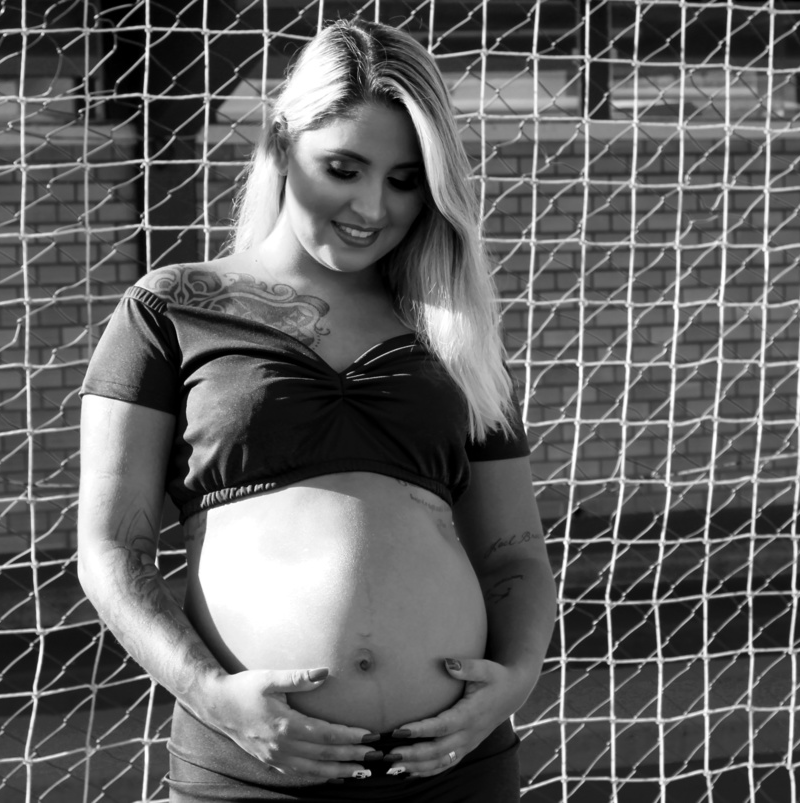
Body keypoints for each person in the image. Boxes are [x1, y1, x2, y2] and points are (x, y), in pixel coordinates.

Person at [77, 18, 556, 803]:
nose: (373, 205)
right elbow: (110, 548)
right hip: (254, 766)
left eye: (405, 180)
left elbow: (515, 554)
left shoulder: (457, 335)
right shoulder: (170, 308)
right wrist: (211, 695)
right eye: (344, 167)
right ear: (281, 144)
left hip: (453, 765)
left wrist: (516, 680)